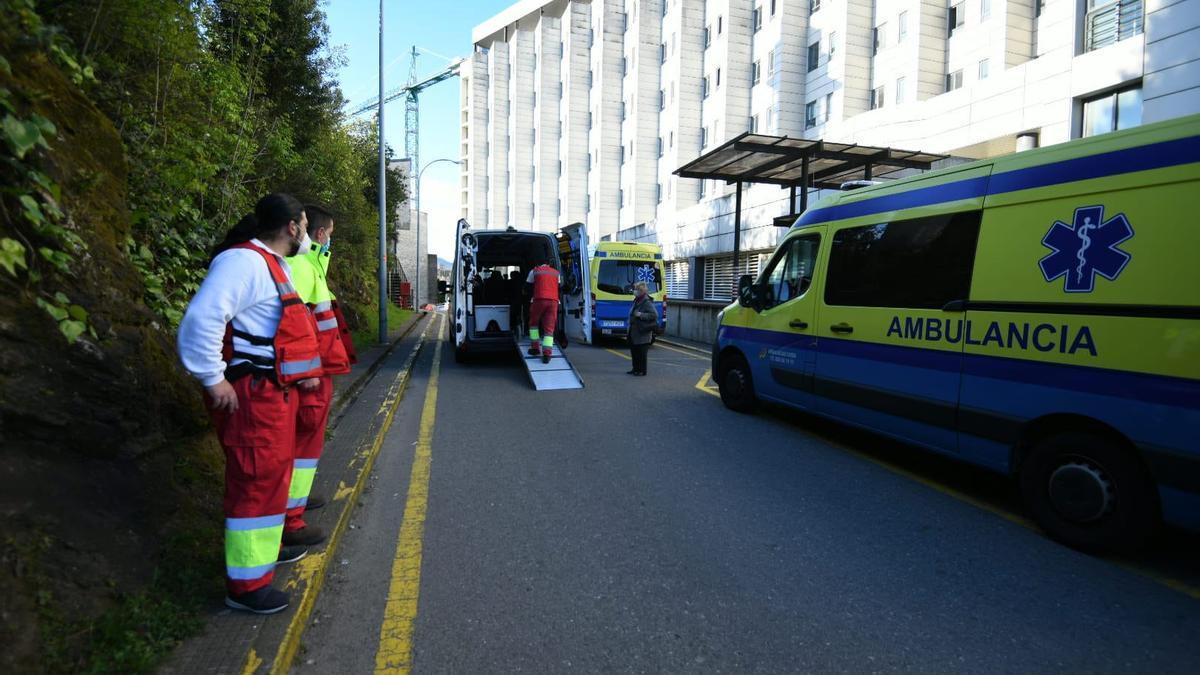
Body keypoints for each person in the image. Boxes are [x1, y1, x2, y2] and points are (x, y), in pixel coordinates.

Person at [177, 193, 323, 615]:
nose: (308, 234)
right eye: (305, 224)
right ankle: (245, 587)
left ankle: (263, 559)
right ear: (292, 227)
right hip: (255, 395)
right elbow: (202, 319)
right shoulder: (243, 262)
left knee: (272, 479)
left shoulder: (270, 263)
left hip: (272, 394)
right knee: (256, 483)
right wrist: (212, 377)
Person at [281, 204, 357, 548]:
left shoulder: (310, 263)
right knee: (301, 438)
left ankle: (297, 500)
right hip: (308, 372)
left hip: (316, 368)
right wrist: (306, 370)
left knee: (308, 442)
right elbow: (292, 322)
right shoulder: (299, 265)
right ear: (321, 234)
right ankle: (290, 516)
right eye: (330, 237)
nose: (330, 244)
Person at [525, 257, 560, 363]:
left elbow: (527, 286)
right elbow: (558, 286)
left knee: (534, 324)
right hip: (553, 301)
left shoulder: (534, 271)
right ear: (549, 264)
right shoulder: (556, 273)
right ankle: (547, 355)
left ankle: (535, 348)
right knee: (549, 329)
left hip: (539, 299)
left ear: (538, 263)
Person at [627, 281, 657, 376]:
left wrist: (641, 315)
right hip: (634, 331)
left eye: (636, 289)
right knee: (634, 351)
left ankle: (642, 371)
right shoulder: (637, 300)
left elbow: (654, 315)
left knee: (641, 353)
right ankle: (635, 369)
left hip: (642, 332)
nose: (634, 291)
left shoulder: (646, 301)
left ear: (641, 291)